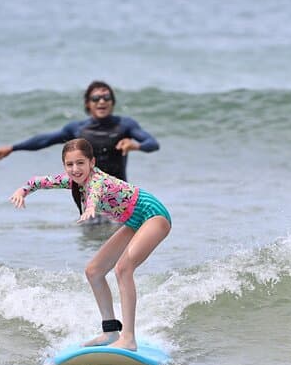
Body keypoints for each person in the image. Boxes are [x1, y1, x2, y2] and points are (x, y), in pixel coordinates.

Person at [9, 138, 171, 351]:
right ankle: (111, 331)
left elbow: (95, 193)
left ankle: (129, 338)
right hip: (134, 221)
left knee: (123, 269)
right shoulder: (71, 180)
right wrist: (22, 191)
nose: (75, 169)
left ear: (91, 162)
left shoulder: (96, 181)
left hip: (153, 214)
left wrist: (90, 208)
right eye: (69, 164)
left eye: (80, 163)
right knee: (93, 271)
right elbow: (39, 181)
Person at [0, 80, 159, 182]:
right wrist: (13, 147)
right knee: (92, 237)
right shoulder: (77, 129)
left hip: (120, 193)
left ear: (112, 102)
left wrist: (135, 146)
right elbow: (45, 140)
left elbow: (152, 143)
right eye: (96, 98)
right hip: (90, 197)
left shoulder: (125, 125)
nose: (102, 101)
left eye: (106, 98)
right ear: (88, 104)